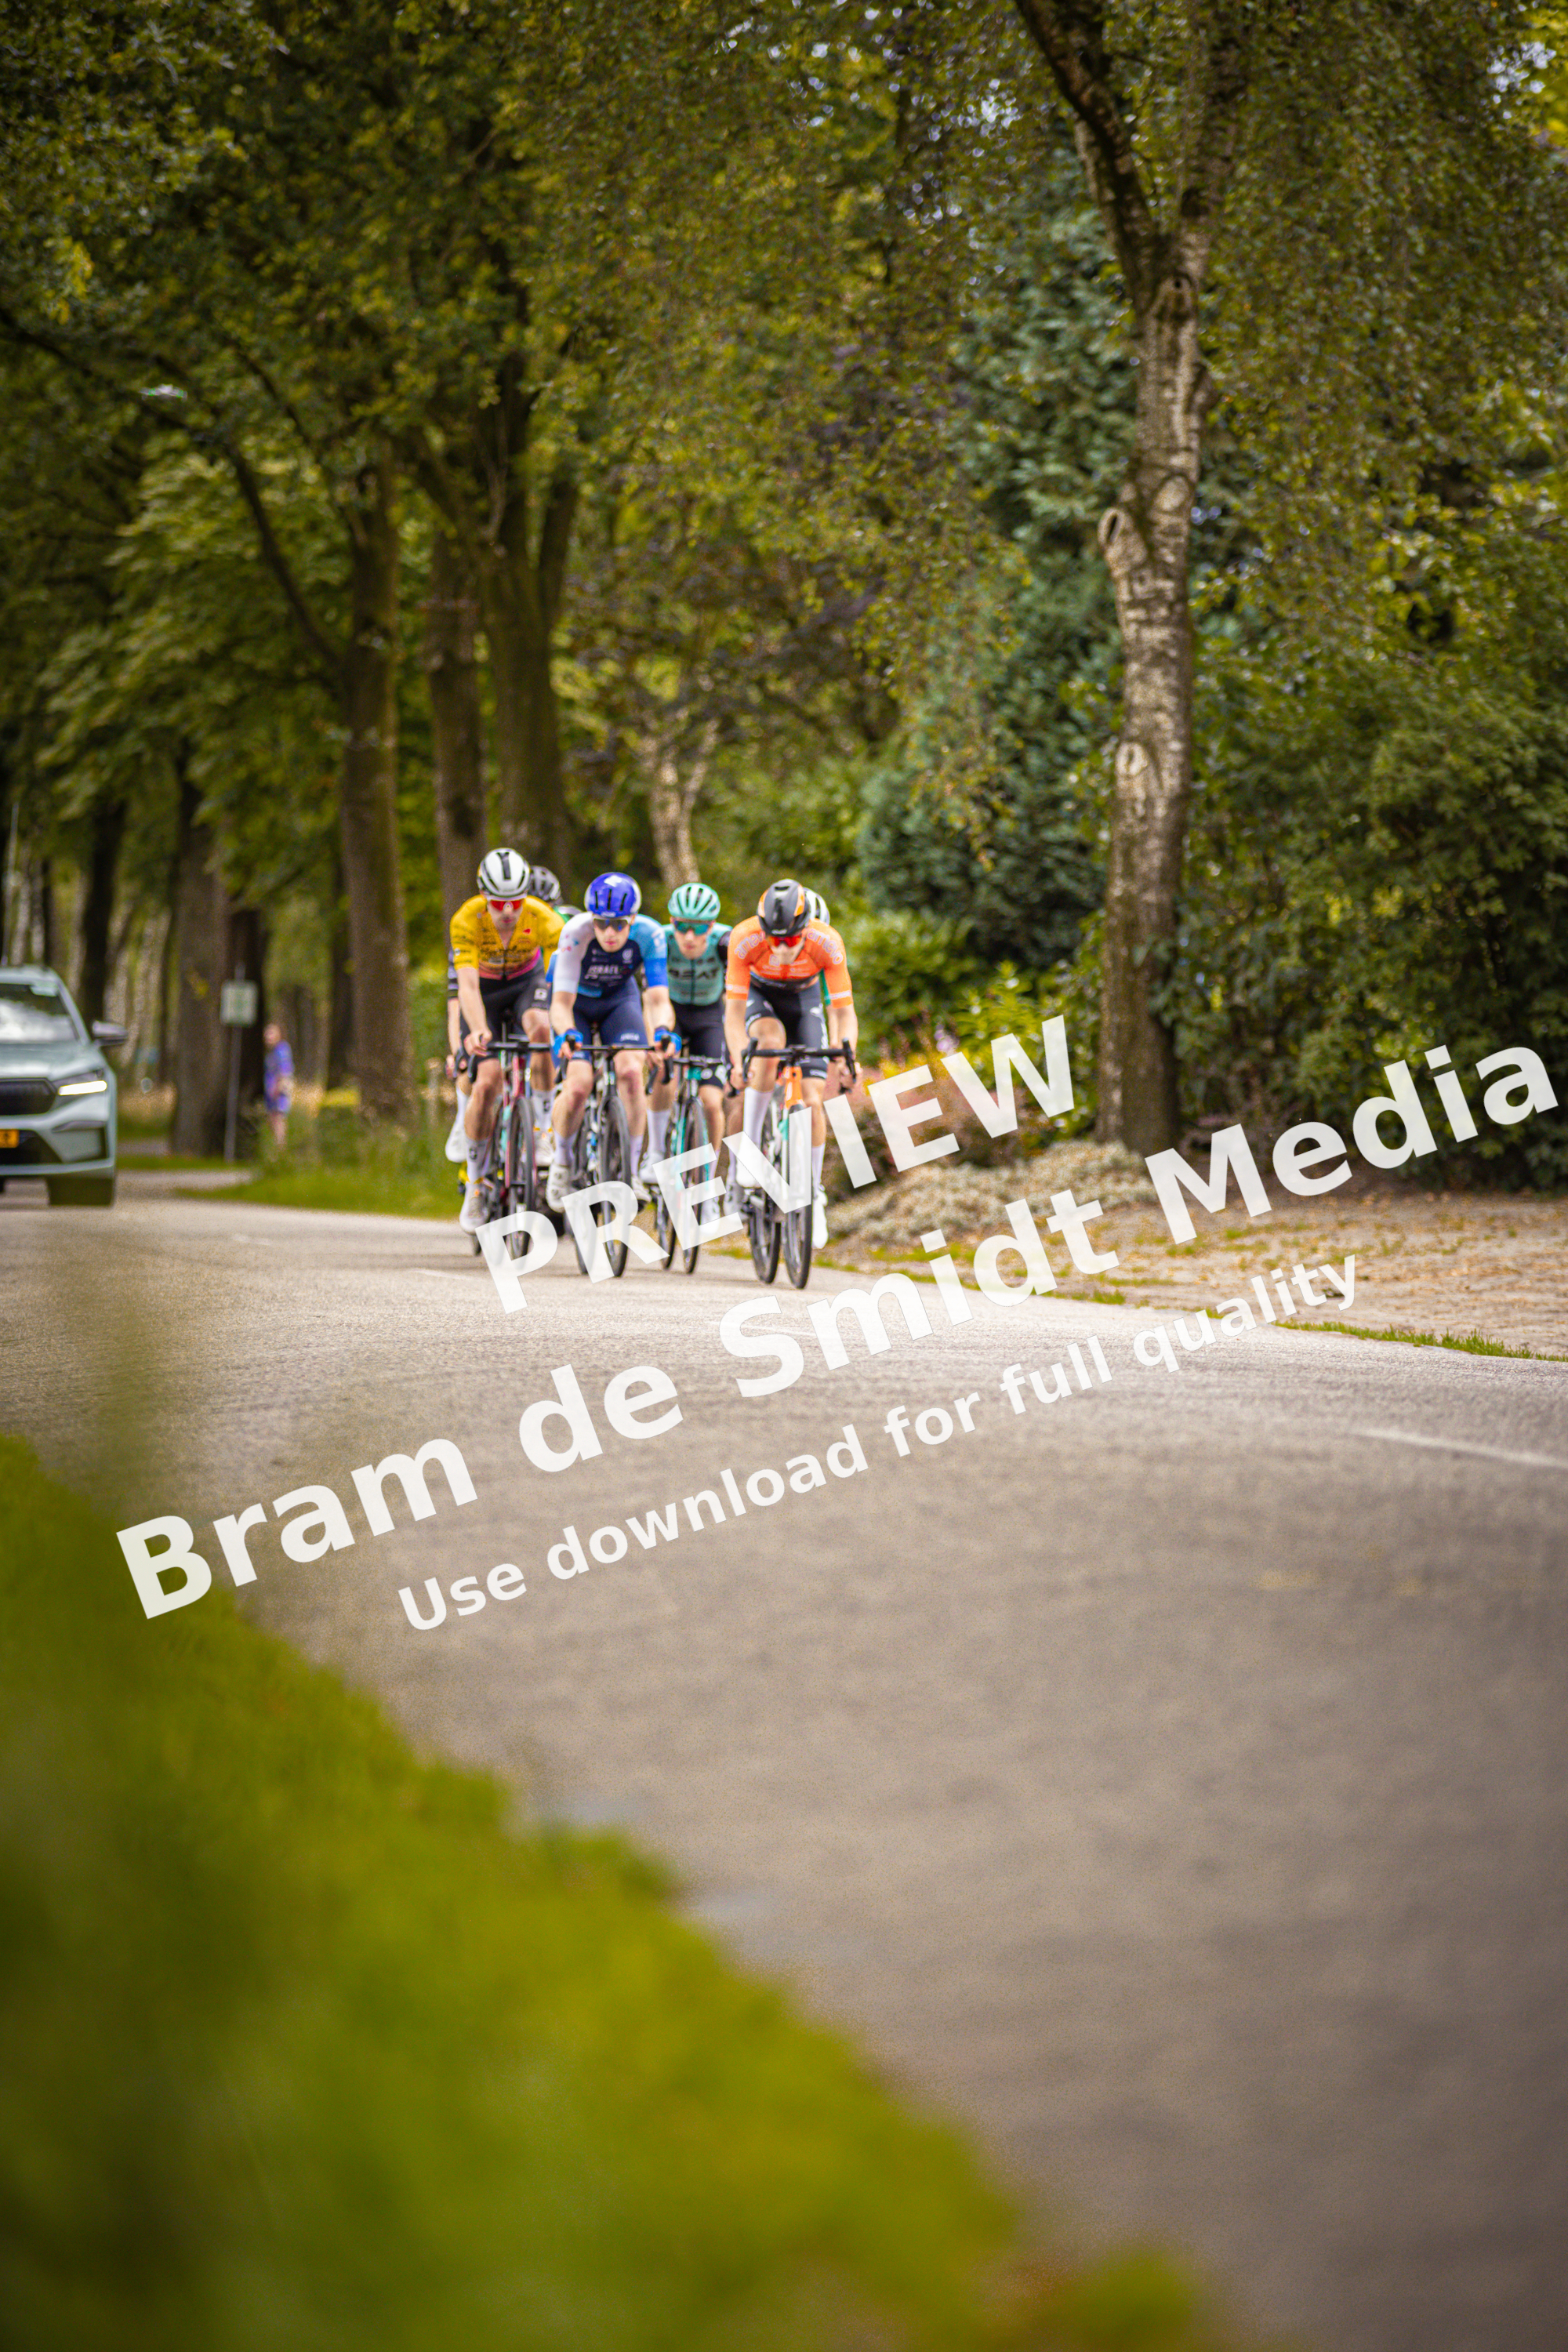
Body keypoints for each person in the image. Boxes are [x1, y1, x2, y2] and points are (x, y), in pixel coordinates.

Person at [724, 877, 858, 1250]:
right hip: (759, 996)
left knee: (813, 1101)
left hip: (803, 1002)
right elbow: (733, 1015)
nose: (782, 948)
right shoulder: (745, 938)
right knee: (768, 1044)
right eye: (774, 939)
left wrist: (847, 1055)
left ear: (805, 928)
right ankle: (750, 1152)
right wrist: (740, 1058)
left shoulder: (826, 941)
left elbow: (843, 1013)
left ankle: (813, 1195)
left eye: (790, 940)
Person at [450, 847, 565, 1233]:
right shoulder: (466, 918)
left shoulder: (541, 916)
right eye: (499, 903)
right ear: (485, 896)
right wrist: (479, 1028)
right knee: (487, 1083)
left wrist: (560, 1013)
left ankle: (544, 1129)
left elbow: (561, 972)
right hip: (483, 990)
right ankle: (477, 1181)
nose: (508, 911)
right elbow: (466, 986)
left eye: (516, 901)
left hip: (523, 985)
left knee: (542, 1032)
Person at [546, 872, 673, 1210]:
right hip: (577, 1004)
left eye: (619, 924)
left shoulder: (650, 934)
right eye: (602, 923)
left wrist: (661, 1031)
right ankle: (560, 1162)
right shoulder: (576, 932)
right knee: (578, 1084)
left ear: (632, 919)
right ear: (592, 919)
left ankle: (631, 1170)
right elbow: (560, 1004)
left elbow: (659, 997)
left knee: (632, 1073)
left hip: (620, 1001)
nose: (610, 933)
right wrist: (566, 1033)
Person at [648, 880, 731, 1164]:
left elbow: (736, 1000)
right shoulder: (661, 939)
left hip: (710, 1016)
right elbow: (650, 997)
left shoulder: (725, 942)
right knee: (663, 1073)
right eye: (683, 927)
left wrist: (734, 1050)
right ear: (672, 922)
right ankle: (656, 1151)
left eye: (700, 927)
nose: (691, 936)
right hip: (672, 1013)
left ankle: (708, 1170)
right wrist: (652, 1040)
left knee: (711, 1100)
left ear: (712, 926)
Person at [263, 1022, 293, 1148]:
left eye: (271, 1032)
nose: (267, 1036)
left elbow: (284, 1070)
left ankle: (281, 1151)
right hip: (271, 1092)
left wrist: (277, 1087)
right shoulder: (271, 1052)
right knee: (272, 1120)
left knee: (278, 1119)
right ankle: (277, 1149)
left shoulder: (282, 1049)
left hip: (279, 1091)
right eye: (266, 1032)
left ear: (279, 1034)